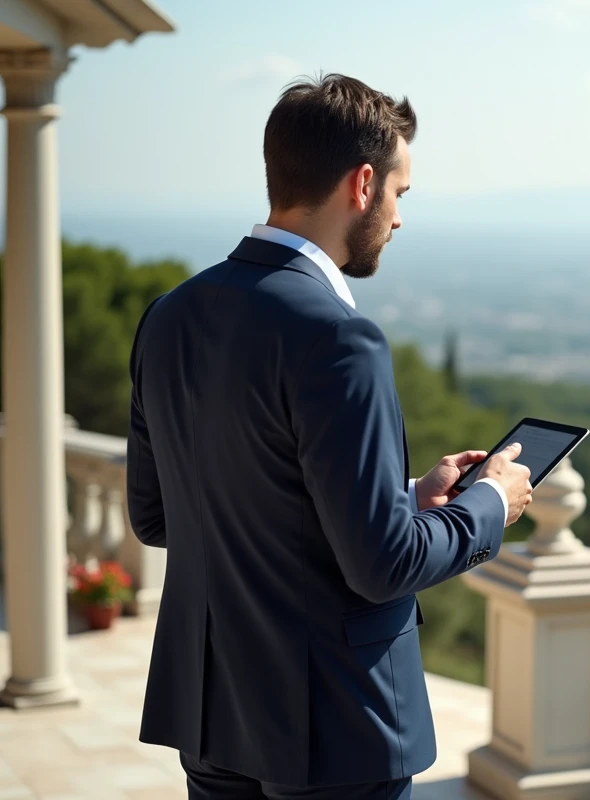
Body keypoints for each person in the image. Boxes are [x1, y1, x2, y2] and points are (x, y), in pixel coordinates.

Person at [125, 73, 533, 800]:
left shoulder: (169, 317)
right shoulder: (340, 337)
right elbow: (382, 565)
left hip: (213, 710)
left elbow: (162, 516)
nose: (400, 218)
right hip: (336, 726)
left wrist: (402, 496)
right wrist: (490, 504)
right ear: (363, 183)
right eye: (401, 194)